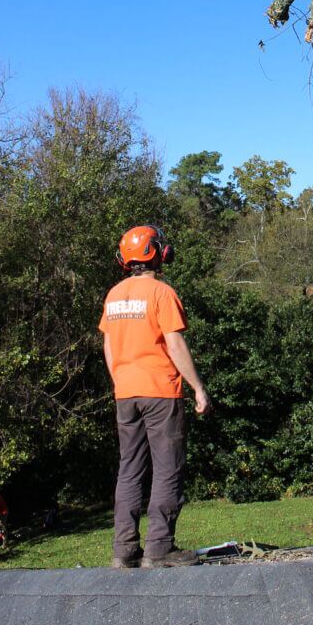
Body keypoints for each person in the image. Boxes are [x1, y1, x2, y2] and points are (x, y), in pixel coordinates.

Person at [100, 225, 210, 569]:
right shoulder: (162, 293)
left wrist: (120, 378)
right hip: (160, 391)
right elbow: (174, 343)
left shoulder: (114, 295)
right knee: (167, 469)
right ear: (154, 252)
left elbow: (108, 345)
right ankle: (159, 548)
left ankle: (124, 551)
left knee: (129, 470)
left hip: (125, 393)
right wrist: (198, 387)